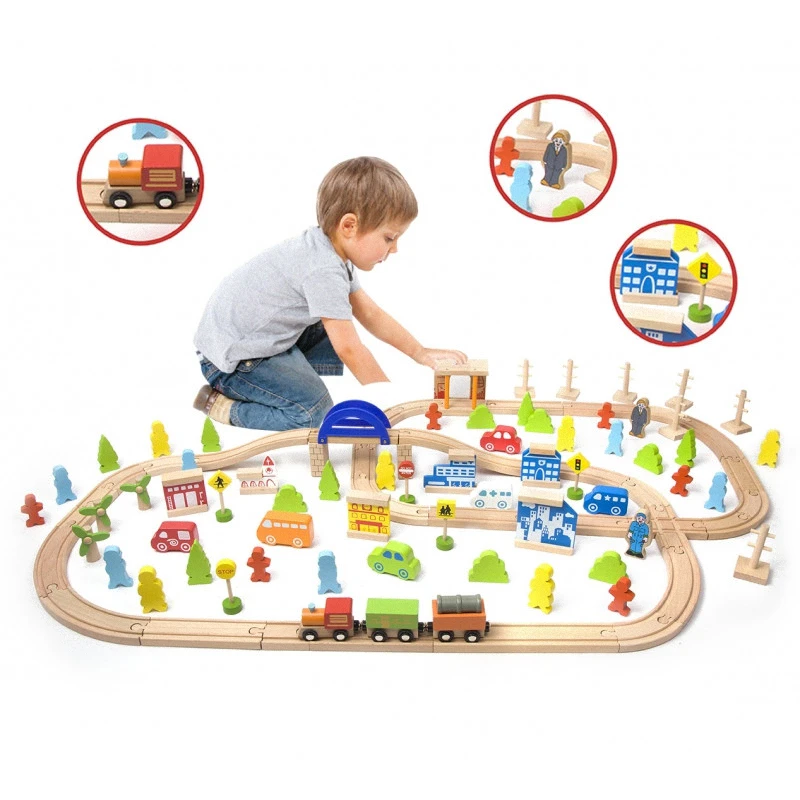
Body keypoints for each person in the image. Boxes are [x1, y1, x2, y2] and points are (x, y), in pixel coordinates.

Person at [193, 156, 467, 431]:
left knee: (336, 319)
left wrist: (420, 352)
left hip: (252, 339)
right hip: (233, 361)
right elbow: (349, 348)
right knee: (312, 412)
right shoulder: (322, 269)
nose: (394, 249)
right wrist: (388, 403)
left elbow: (370, 314)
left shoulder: (331, 252)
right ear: (349, 226)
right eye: (389, 238)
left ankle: (287, 381)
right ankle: (224, 406)